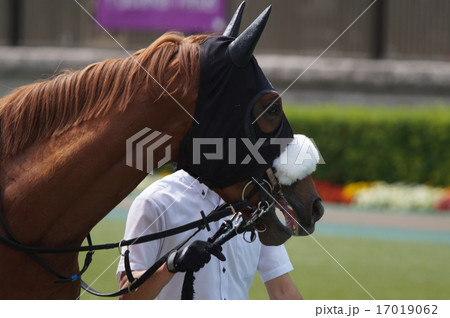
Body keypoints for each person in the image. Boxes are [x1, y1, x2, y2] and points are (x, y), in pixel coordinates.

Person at [116, 169, 302, 300]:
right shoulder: (155, 201)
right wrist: (171, 265)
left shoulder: (255, 203)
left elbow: (283, 291)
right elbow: (128, 297)